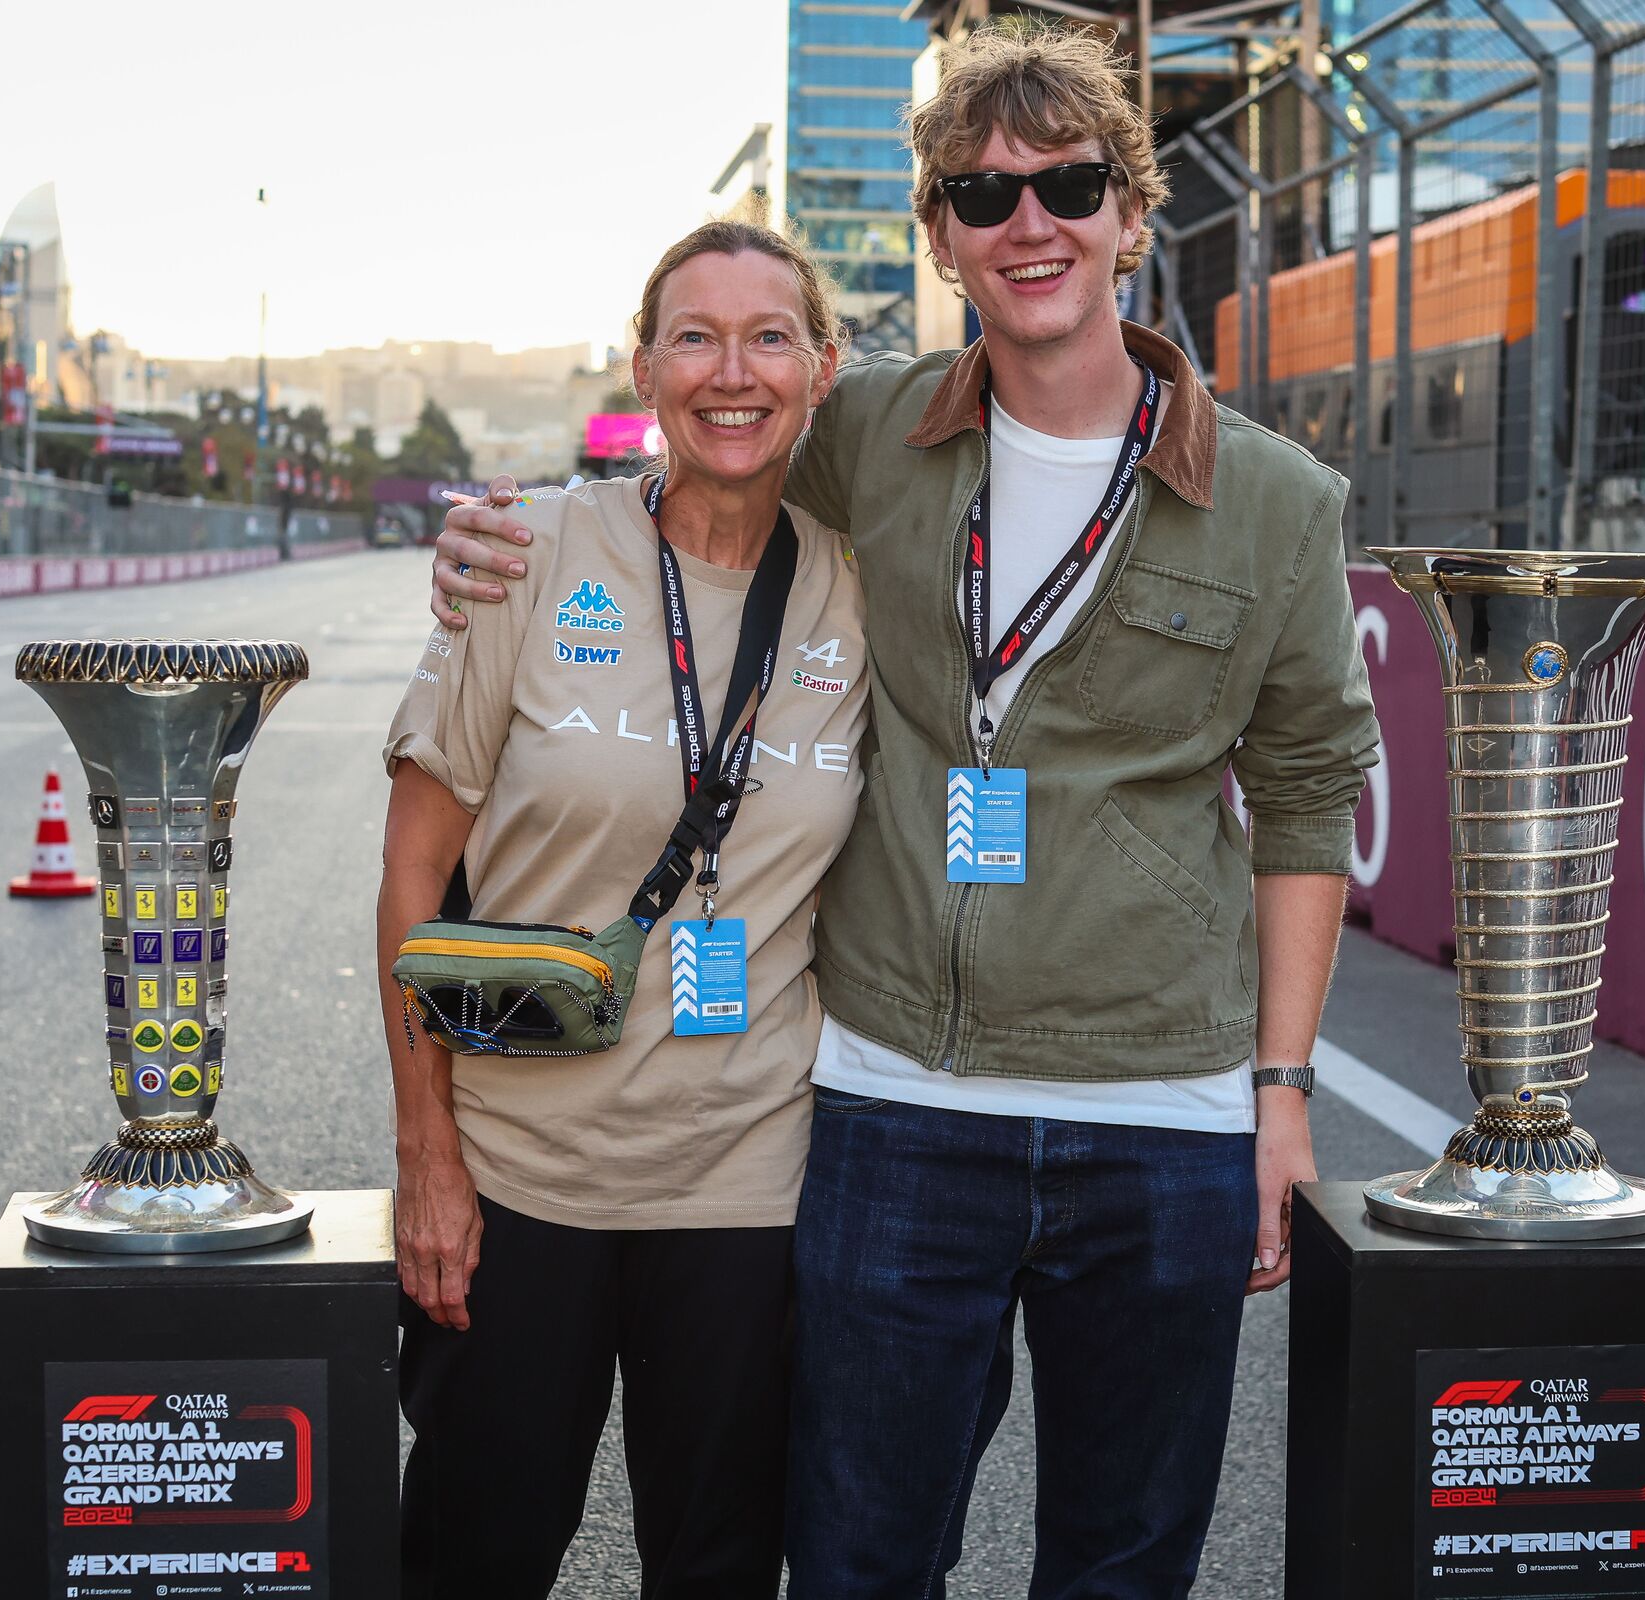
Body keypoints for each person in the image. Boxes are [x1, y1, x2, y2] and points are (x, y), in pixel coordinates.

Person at [431, 22, 1379, 1598]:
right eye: (984, 196)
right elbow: (693, 466)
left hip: (1159, 1117)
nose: (1031, 225)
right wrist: (491, 541)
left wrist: (1280, 1098)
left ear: (1132, 216)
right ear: (938, 236)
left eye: (1069, 185)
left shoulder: (1279, 500)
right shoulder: (867, 434)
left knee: (1124, 1566)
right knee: (863, 1564)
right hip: (891, 1111)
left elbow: (1301, 803)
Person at [377, 220, 868, 1600]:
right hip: (520, 1181)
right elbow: (413, 872)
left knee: (717, 1572)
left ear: (821, 369)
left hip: (750, 1192)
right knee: (475, 1557)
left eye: (770, 336)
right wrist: (427, 1154)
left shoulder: (863, 590)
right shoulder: (525, 554)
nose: (733, 371)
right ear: (644, 367)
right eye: (695, 337)